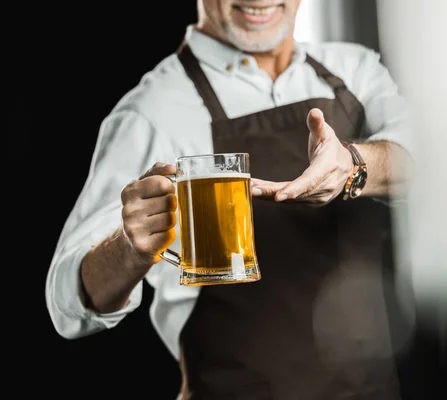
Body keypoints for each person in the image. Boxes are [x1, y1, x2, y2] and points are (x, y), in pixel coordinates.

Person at [46, 0, 415, 398]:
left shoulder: (354, 70)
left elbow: (426, 166)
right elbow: (67, 304)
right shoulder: (151, 111)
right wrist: (128, 248)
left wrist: (354, 164)